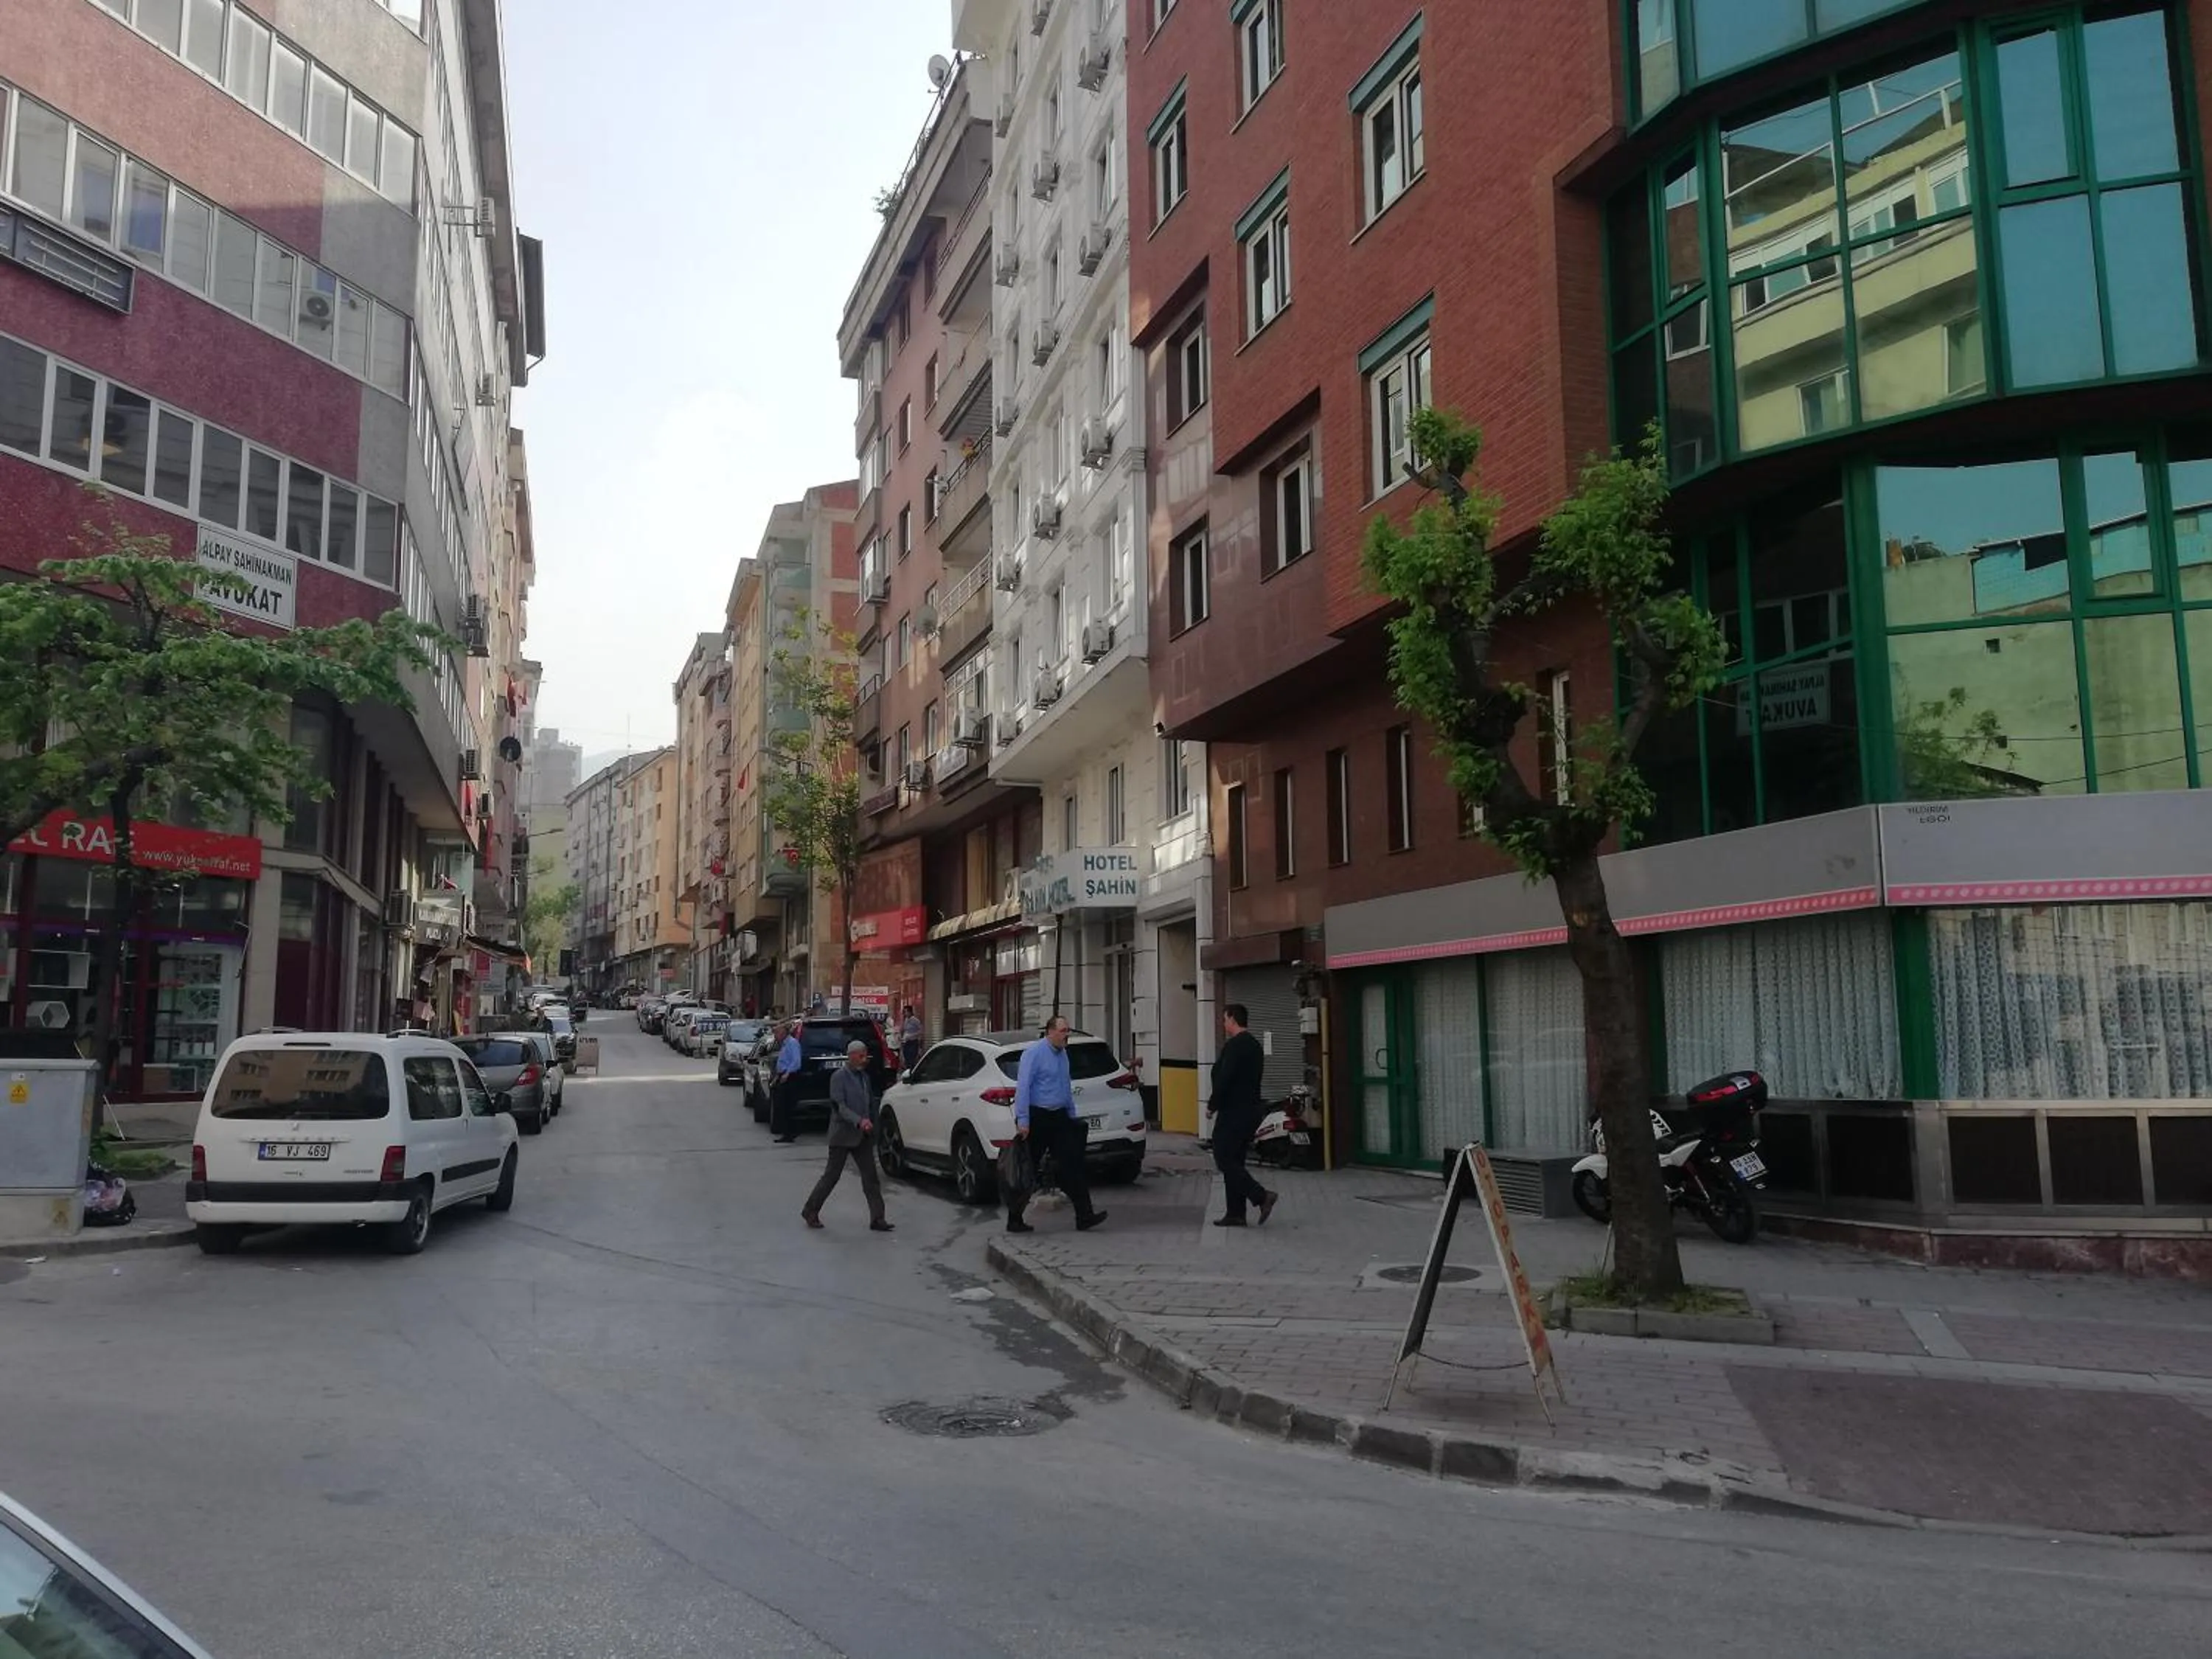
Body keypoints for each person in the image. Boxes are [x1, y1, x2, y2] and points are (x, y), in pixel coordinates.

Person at [1006, 1015, 1105, 1235]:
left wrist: (1071, 1114)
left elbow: (1065, 1085)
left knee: (1073, 1164)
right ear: (1050, 1032)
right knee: (1027, 1169)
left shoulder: (1063, 1055)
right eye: (1063, 1031)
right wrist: (1023, 1120)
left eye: (1068, 1030)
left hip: (1059, 1117)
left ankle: (1085, 1215)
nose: (1066, 1035)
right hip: (1038, 1117)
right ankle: (1015, 1218)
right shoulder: (1034, 1054)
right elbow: (1023, 1087)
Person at [802, 1040, 892, 1231]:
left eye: (865, 1055)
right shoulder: (839, 1077)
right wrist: (859, 1120)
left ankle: (878, 1218)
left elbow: (870, 1104)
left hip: (863, 1136)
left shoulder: (864, 1078)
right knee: (832, 1176)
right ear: (850, 1056)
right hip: (842, 1135)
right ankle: (810, 1210)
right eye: (860, 1056)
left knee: (871, 1178)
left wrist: (874, 1125)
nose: (864, 1059)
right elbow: (839, 1106)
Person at [1209, 1004, 1276, 1227]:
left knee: (1223, 1156)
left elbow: (1225, 1079)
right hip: (1251, 1110)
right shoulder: (1254, 1046)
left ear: (1232, 1019)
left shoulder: (1235, 1046)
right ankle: (1236, 1213)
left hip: (1233, 1111)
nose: (1223, 1023)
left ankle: (1260, 1196)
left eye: (1225, 1019)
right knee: (1235, 1159)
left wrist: (1212, 1105)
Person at [770, 1018, 804, 1143]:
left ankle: (791, 1133)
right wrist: (777, 1078)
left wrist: (787, 1074)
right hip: (783, 1076)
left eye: (777, 1034)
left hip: (790, 1077)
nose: (775, 1037)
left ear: (783, 1033)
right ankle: (788, 1133)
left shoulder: (792, 1043)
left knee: (787, 1105)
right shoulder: (784, 1044)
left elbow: (796, 1061)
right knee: (781, 1106)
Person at [900, 1004, 924, 1071]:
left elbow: (921, 1031)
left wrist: (912, 1035)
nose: (904, 1013)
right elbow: (905, 1030)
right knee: (906, 1058)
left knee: (912, 1059)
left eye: (906, 1012)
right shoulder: (906, 1020)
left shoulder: (915, 1020)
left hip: (913, 1042)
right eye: (904, 1012)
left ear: (910, 1012)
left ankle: (912, 1071)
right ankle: (908, 1071)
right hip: (906, 1042)